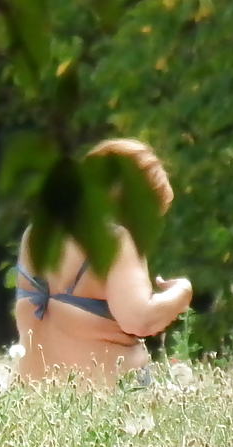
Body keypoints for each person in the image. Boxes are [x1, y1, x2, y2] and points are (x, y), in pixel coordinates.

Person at [13, 138, 193, 388]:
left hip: (35, 402)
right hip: (111, 402)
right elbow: (140, 319)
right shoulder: (115, 241)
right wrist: (182, 293)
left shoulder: (35, 236)